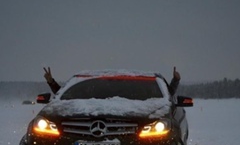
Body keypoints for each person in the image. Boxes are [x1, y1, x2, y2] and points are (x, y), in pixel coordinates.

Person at [43, 66, 181, 95]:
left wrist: (175, 81)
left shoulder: (160, 109)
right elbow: (64, 95)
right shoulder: (82, 98)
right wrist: (51, 82)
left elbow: (168, 96)